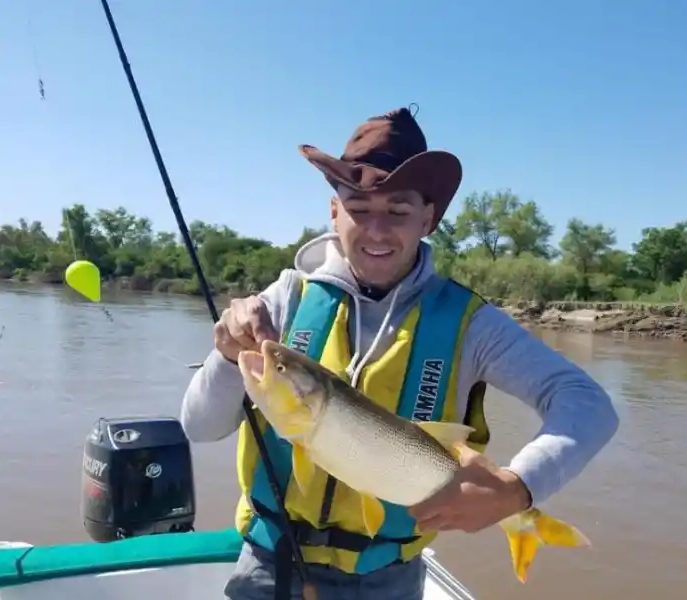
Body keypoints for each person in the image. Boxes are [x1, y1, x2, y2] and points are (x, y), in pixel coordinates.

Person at [180, 106, 619, 600]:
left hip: (388, 580)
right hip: (267, 564)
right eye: (359, 209)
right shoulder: (284, 301)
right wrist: (226, 354)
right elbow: (199, 427)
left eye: (398, 211)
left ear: (428, 218)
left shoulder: (472, 325)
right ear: (333, 210)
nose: (376, 231)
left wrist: (518, 489)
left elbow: (586, 403)